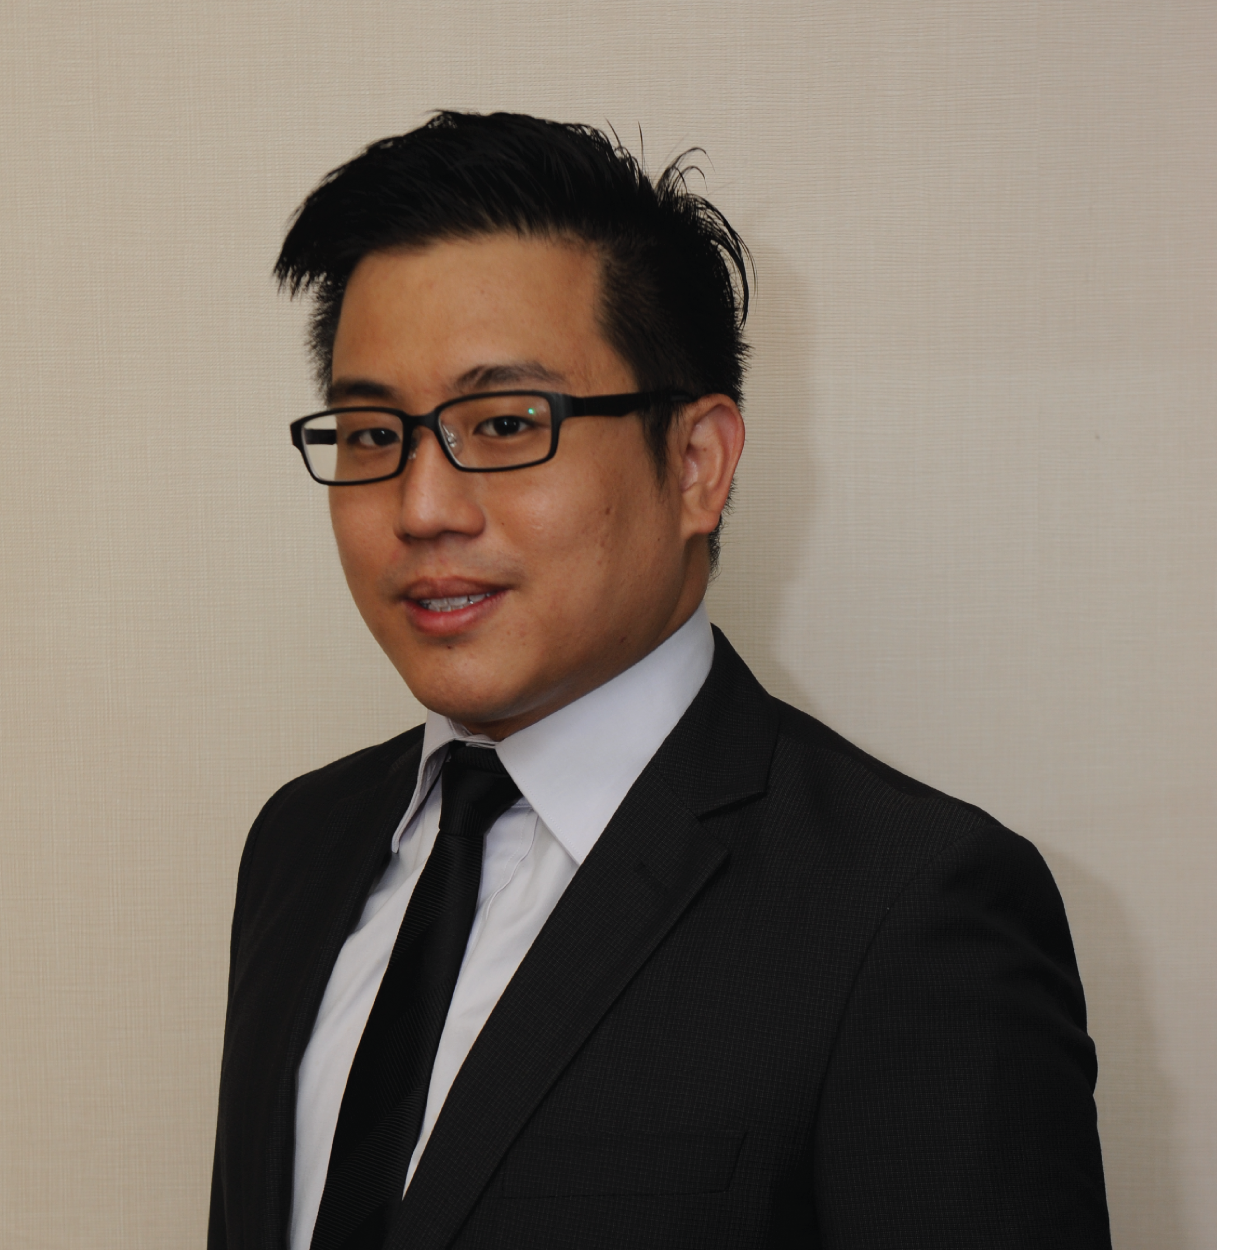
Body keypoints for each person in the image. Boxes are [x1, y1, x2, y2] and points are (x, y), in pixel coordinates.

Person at [208, 112, 1114, 1250]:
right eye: (373, 432)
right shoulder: (300, 844)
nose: (422, 507)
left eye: (505, 423)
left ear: (696, 464)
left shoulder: (907, 912)